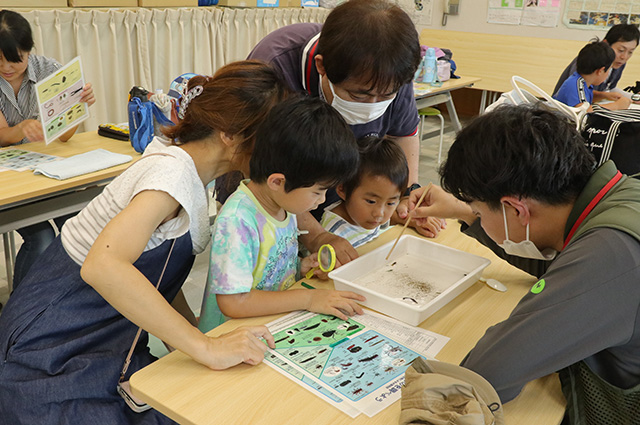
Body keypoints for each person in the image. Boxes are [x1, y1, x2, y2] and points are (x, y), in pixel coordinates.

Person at [0, 60, 289, 424]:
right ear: (230, 134)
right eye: (272, 138)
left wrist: (196, 336)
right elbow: (104, 266)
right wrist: (204, 347)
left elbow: (156, 272)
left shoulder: (195, 174)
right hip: (50, 346)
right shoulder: (170, 172)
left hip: (108, 340)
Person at [408, 104, 640, 424]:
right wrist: (464, 212)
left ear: (517, 210)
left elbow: (486, 374)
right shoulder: (622, 195)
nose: (476, 216)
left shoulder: (610, 256)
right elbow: (561, 262)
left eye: (479, 211)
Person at [244, 0, 444, 266]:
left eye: (385, 96)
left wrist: (407, 198)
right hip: (273, 197)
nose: (372, 106)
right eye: (359, 94)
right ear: (322, 67)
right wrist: (315, 235)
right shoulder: (275, 67)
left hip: (341, 196)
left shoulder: (391, 70)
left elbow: (403, 133)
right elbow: (258, 169)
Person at [198, 96, 365, 333]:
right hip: (229, 336)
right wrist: (308, 299)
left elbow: (266, 269)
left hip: (270, 324)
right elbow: (233, 302)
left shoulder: (282, 205)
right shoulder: (237, 221)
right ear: (277, 181)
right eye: (318, 191)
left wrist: (299, 267)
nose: (321, 201)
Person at [0, 10, 96, 288]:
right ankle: (22, 312)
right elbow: (3, 136)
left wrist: (78, 106)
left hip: (44, 168)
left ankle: (64, 297)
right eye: (0, 59)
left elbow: (63, 136)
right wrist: (20, 130)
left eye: (15, 58)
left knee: (80, 223)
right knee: (41, 237)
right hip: (9, 179)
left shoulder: (49, 71)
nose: (6, 67)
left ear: (29, 50)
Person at [320, 136, 445, 248]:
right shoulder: (332, 233)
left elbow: (390, 220)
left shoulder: (368, 216)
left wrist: (412, 221)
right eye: (371, 201)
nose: (379, 214)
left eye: (391, 203)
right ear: (343, 189)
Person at [553, 24, 640, 102]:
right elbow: (580, 96)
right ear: (606, 44)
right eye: (621, 50)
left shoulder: (619, 63)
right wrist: (612, 104)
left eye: (630, 52)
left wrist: (632, 97)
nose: (624, 57)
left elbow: (609, 88)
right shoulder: (589, 61)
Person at [553, 40, 630, 110]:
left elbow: (583, 96)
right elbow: (582, 110)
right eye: (608, 70)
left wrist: (605, 96)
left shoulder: (583, 83)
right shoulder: (576, 83)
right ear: (600, 71)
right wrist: (616, 106)